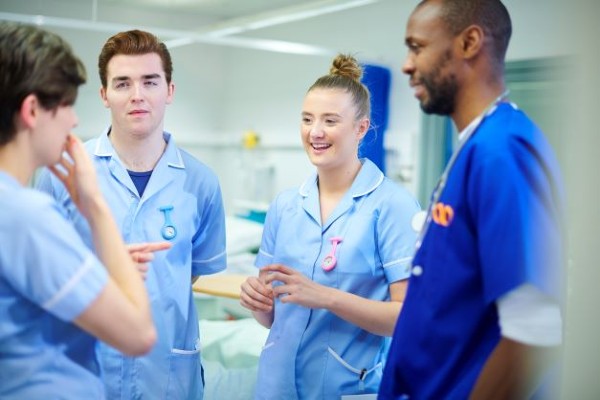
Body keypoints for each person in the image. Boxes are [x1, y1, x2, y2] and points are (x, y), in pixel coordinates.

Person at [379, 1, 565, 399]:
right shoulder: (474, 147)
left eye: (417, 47)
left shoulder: (502, 151)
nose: (407, 65)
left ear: (469, 42)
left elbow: (535, 331)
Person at [36, 29, 227, 399]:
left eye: (150, 81)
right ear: (105, 95)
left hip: (169, 374)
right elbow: (37, 275)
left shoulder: (201, 183)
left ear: (169, 91)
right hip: (84, 369)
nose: (137, 95)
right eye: (123, 83)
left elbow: (191, 274)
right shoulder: (61, 172)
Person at [240, 54, 420, 399]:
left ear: (361, 128)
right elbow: (274, 318)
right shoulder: (285, 205)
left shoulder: (392, 205)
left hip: (346, 386)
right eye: (307, 119)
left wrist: (327, 298)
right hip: (275, 387)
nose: (315, 132)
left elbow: (408, 318)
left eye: (330, 120)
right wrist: (259, 304)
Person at [0, 22, 157, 398]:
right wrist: (96, 205)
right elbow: (139, 334)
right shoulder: (26, 214)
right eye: (67, 105)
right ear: (33, 111)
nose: (73, 120)